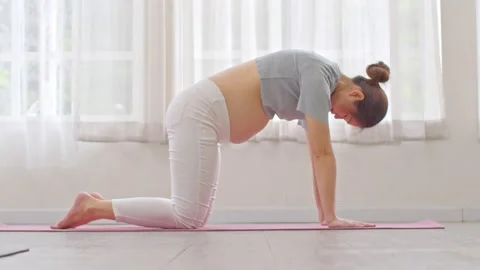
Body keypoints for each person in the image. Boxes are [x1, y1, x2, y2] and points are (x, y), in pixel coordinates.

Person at [52, 50, 390, 230]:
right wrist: (331, 218)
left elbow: (317, 156)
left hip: (203, 117)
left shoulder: (319, 79)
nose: (338, 118)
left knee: (191, 216)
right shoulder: (319, 76)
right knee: (188, 217)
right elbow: (323, 155)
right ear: (356, 93)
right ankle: (93, 207)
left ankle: (95, 204)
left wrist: (324, 216)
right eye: (347, 115)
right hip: (198, 113)